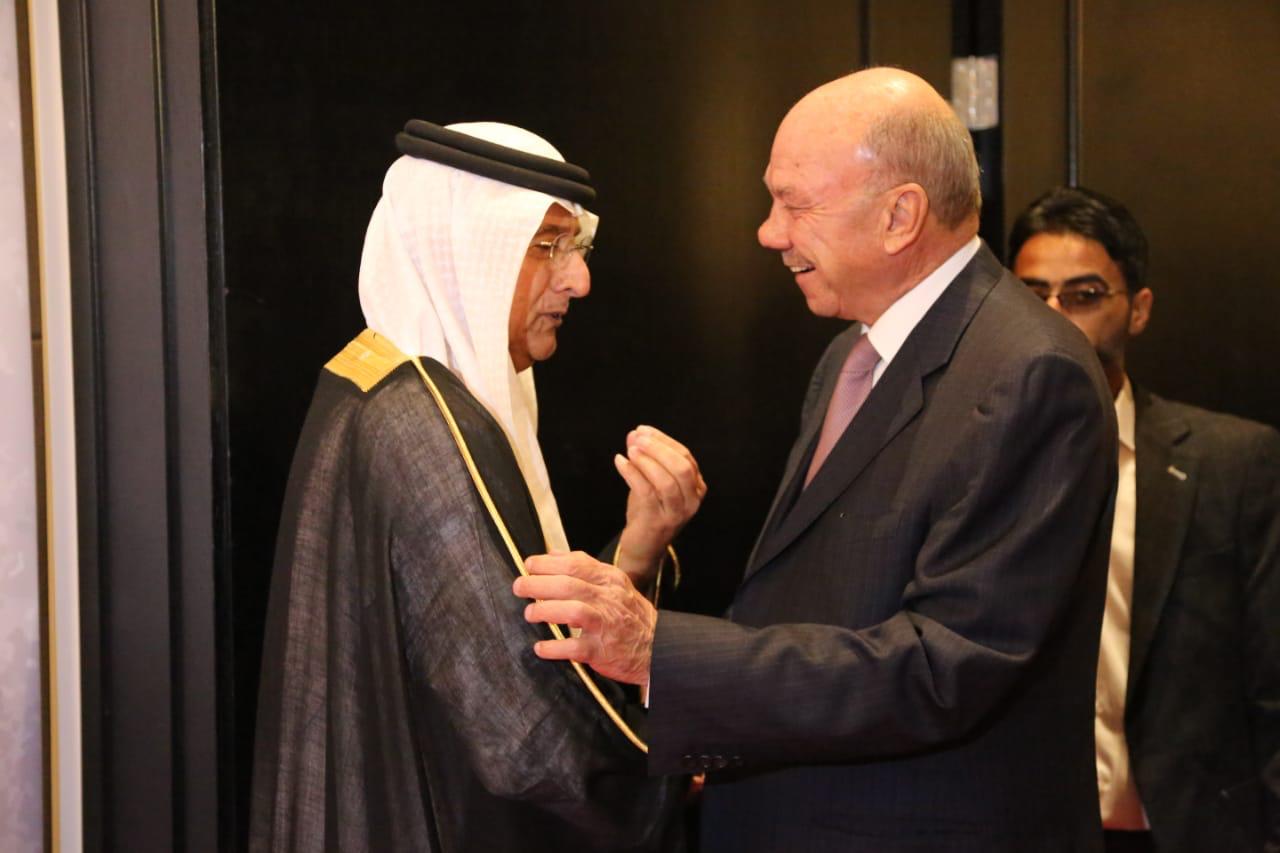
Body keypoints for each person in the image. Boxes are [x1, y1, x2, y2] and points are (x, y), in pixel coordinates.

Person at [515, 68, 1118, 852]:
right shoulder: (849, 355)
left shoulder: (1031, 372)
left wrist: (663, 653)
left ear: (900, 215)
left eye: (794, 204)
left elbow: (945, 667)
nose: (769, 232)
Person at [250, 120, 705, 852]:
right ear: (462, 250)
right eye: (547, 246)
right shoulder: (423, 423)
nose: (578, 280)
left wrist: (638, 550)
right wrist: (676, 771)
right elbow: (526, 736)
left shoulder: (375, 376)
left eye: (577, 247)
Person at [1009, 185, 1280, 853]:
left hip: (1181, 826)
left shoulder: (1233, 464)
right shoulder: (972, 464)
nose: (1054, 317)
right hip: (1018, 826)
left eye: (1083, 295)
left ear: (1138, 309)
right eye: (1032, 295)